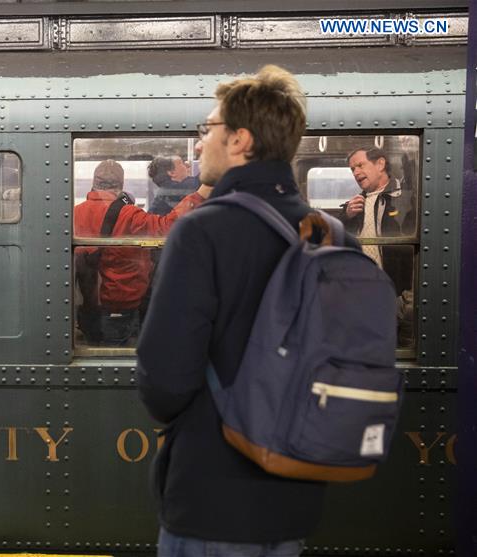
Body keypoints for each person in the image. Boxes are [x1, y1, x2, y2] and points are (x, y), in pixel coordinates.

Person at [137, 65, 360, 557]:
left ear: (240, 140)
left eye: (207, 130)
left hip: (210, 497)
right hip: (296, 490)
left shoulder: (201, 232)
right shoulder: (334, 236)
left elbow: (165, 384)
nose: (199, 145)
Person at [74, 160, 209, 345]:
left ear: (94, 183)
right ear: (121, 185)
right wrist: (200, 195)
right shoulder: (128, 214)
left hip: (88, 308)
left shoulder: (75, 213)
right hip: (121, 309)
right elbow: (167, 228)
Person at [339, 147, 414, 345]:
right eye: (352, 169)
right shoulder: (354, 205)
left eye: (360, 165)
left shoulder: (406, 199)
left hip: (396, 292)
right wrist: (346, 217)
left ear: (380, 164)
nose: (355, 173)